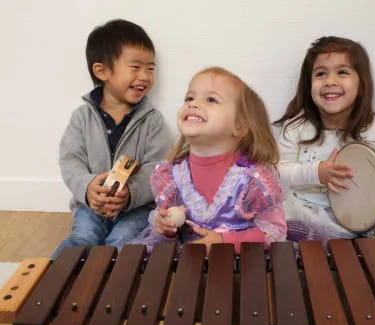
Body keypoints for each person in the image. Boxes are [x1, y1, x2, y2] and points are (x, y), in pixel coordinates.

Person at [274, 36, 375, 245]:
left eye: (342, 72)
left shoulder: (368, 127)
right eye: (321, 73)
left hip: (349, 212)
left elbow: (373, 177)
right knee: (283, 227)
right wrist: (317, 172)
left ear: (362, 85)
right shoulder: (296, 127)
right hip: (302, 208)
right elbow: (277, 173)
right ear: (308, 85)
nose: (330, 81)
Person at [130, 66, 286, 255]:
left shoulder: (253, 179)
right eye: (190, 98)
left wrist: (224, 241)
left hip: (241, 263)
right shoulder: (171, 175)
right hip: (190, 262)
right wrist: (166, 227)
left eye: (211, 99)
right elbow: (170, 229)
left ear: (240, 126)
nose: (193, 104)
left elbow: (275, 231)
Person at [53, 19, 171, 258]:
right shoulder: (82, 117)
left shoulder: (152, 121)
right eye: (136, 67)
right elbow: (71, 161)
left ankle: (112, 290)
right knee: (82, 238)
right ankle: (51, 285)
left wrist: (131, 193)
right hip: (91, 207)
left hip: (137, 208)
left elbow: (160, 168)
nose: (145, 76)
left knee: (123, 242)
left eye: (150, 68)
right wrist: (88, 189)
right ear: (102, 71)